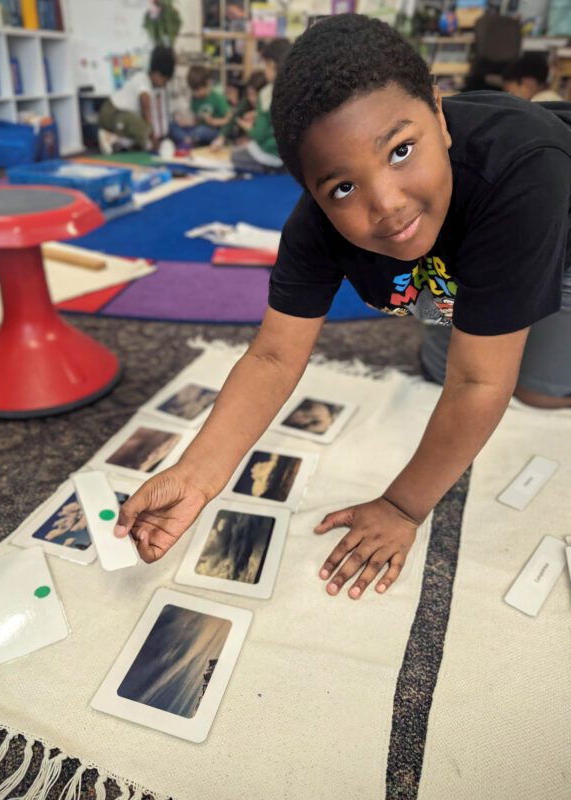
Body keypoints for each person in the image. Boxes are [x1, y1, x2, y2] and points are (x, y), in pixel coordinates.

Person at [115, 15, 571, 601]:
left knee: (530, 389)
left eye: (401, 150)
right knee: (448, 364)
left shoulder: (523, 170)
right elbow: (275, 356)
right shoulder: (315, 228)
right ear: (311, 192)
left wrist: (402, 508)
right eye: (343, 189)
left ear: (439, 113)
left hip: (557, 221)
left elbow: (482, 380)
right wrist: (196, 473)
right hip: (470, 241)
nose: (388, 204)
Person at [98, 45, 175, 153]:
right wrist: (154, 141)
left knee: (139, 136)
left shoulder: (150, 85)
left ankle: (113, 140)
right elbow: (147, 118)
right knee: (142, 130)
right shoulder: (143, 85)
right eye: (164, 81)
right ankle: (109, 137)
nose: (164, 86)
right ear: (156, 74)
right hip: (113, 113)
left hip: (123, 117)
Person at [230, 38, 292, 173]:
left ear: (270, 64)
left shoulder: (267, 92)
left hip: (271, 152)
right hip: (291, 155)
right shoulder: (295, 87)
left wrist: (248, 128)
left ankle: (268, 168)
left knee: (235, 156)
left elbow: (259, 134)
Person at [168, 65, 231, 149]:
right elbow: (197, 120)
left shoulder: (217, 97)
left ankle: (187, 141)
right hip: (197, 129)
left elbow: (230, 119)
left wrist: (213, 121)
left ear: (207, 83)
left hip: (215, 131)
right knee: (172, 126)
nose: (196, 93)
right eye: (193, 90)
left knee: (201, 131)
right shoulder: (195, 99)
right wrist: (187, 122)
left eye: (198, 90)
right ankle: (188, 140)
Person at [211, 70, 267, 149]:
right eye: (249, 94)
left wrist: (254, 119)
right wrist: (221, 138)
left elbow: (262, 133)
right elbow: (233, 117)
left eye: (255, 95)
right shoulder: (246, 102)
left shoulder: (267, 106)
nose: (252, 99)